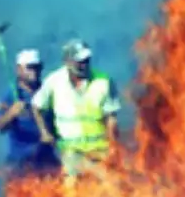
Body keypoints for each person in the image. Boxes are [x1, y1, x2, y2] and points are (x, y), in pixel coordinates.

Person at [31, 39, 121, 188]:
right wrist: (44, 132)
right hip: (70, 153)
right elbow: (37, 106)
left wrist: (114, 148)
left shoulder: (104, 81)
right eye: (79, 61)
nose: (84, 65)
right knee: (71, 195)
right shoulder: (54, 81)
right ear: (67, 61)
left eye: (86, 60)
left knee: (110, 192)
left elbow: (111, 118)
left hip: (99, 152)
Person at [0, 48, 59, 175]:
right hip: (20, 161)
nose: (34, 72)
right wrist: (12, 113)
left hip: (46, 159)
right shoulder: (11, 95)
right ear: (19, 70)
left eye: (37, 67)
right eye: (30, 67)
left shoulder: (48, 91)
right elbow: (0, 127)